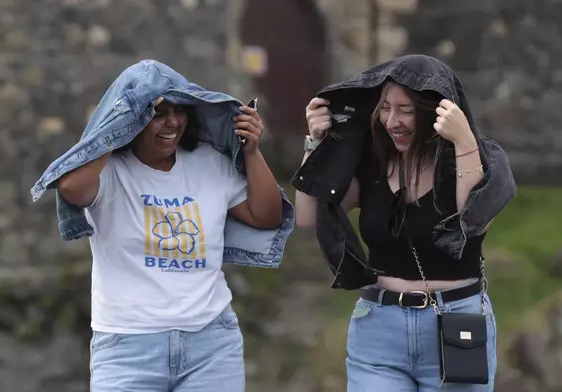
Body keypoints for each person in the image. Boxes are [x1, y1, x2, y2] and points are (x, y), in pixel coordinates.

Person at [31, 60, 295, 392]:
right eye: (158, 113)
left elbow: (266, 216)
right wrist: (120, 123)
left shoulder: (210, 164)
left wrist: (253, 152)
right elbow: (71, 188)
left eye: (181, 110)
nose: (173, 122)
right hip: (127, 348)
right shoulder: (109, 172)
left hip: (211, 344)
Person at [292, 54, 516, 391]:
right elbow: (307, 217)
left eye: (406, 110)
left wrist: (464, 141)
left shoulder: (473, 161)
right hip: (379, 331)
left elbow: (473, 221)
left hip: (454, 328)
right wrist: (316, 144)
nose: (392, 121)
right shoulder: (371, 163)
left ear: (433, 113)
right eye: (385, 108)